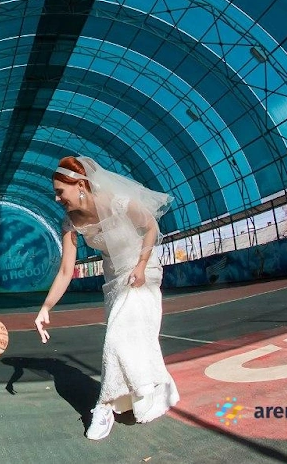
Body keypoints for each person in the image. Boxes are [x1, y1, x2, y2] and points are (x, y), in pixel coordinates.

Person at [35, 156, 179, 440]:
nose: (56, 198)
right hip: (114, 277)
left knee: (116, 337)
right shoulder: (70, 223)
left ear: (79, 185)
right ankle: (154, 390)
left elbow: (151, 227)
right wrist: (46, 307)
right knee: (134, 339)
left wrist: (141, 266)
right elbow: (65, 270)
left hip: (142, 270)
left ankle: (104, 406)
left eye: (60, 191)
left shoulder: (117, 201)